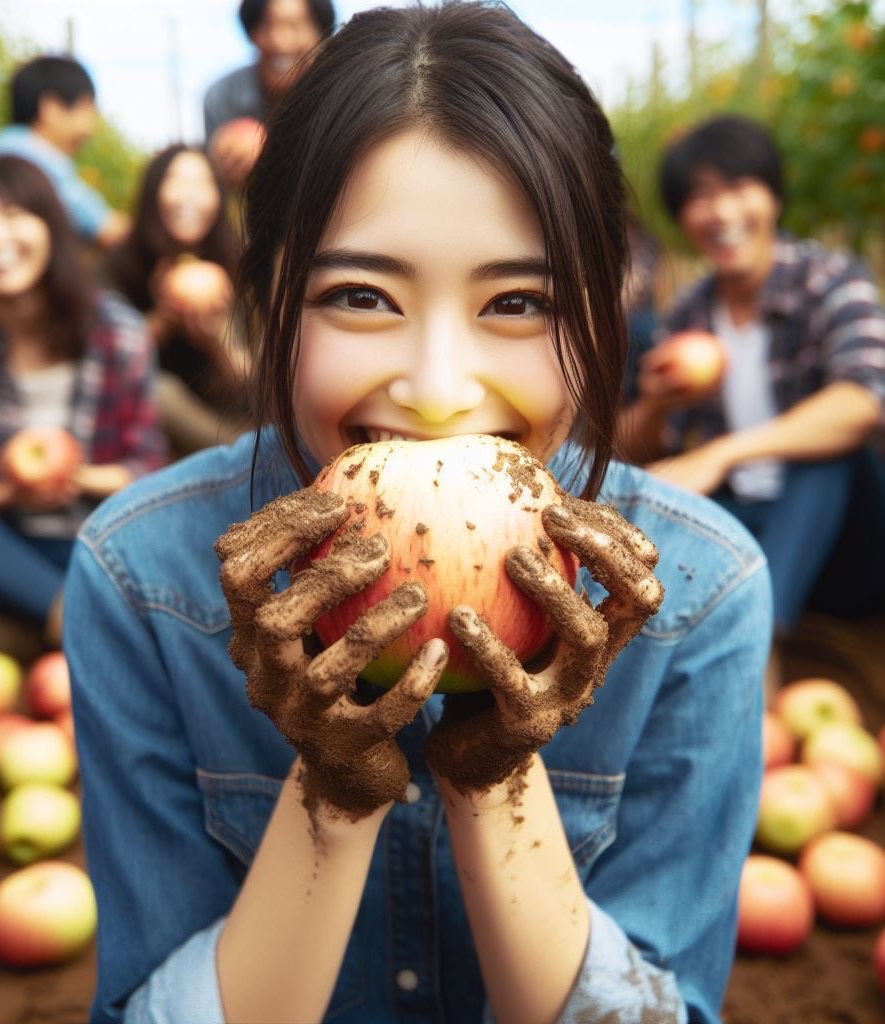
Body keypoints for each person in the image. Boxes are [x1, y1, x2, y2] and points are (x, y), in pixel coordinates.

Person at [64, 6, 771, 1022]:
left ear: (602, 312)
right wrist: (334, 797)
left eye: (518, 303)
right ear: (269, 300)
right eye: (360, 295)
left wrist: (496, 788)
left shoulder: (699, 594)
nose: (439, 392)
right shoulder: (141, 578)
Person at [617, 115, 885, 650]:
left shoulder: (830, 280)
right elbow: (637, 451)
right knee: (661, 504)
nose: (721, 212)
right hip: (752, 528)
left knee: (828, 456)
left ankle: (763, 645)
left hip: (854, 541)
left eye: (738, 187)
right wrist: (655, 403)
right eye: (700, 196)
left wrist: (724, 454)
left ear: (773, 194)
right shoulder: (690, 313)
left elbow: (864, 400)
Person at [0, 155, 165, 655]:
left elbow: (147, 467)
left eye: (14, 214)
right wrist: (11, 491)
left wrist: (74, 478)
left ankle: (38, 624)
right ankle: (75, 617)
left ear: (52, 227)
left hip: (99, 544)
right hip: (2, 550)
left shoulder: (117, 334)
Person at [0, 55, 130, 328]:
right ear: (50, 108)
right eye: (87, 108)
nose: (92, 127)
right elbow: (111, 231)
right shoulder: (33, 161)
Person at [104, 143, 252, 453]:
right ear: (153, 193)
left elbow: (254, 380)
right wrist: (163, 319)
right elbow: (106, 367)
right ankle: (242, 454)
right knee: (161, 391)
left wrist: (216, 338)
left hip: (230, 411)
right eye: (178, 181)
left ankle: (245, 450)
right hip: (151, 427)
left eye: (202, 184)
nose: (190, 196)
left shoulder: (238, 265)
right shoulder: (121, 264)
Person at [203, 0, 334, 187]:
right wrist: (219, 160)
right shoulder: (221, 95)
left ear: (321, 33)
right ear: (252, 33)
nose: (280, 41)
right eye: (267, 25)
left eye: (294, 25)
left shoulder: (342, 94)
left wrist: (264, 148)